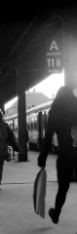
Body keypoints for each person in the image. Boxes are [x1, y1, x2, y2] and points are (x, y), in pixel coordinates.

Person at [38, 86, 77, 224]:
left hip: (65, 155)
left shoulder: (55, 111)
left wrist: (42, 157)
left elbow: (48, 137)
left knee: (63, 189)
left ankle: (56, 214)